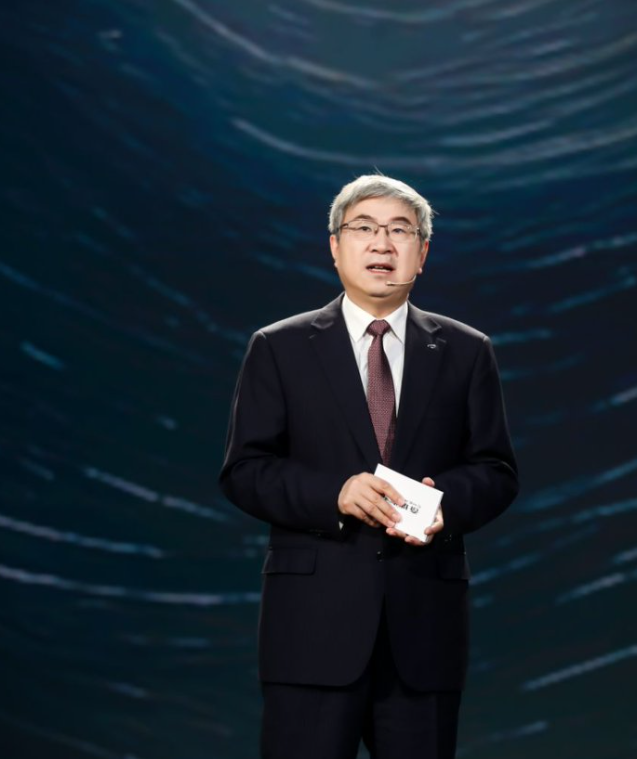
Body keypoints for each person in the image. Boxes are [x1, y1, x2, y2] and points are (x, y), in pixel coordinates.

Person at [220, 174, 519, 758]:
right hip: (310, 631)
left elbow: (496, 470)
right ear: (335, 246)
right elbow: (245, 470)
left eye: (400, 231)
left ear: (422, 253)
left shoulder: (466, 351)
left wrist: (445, 506)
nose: (382, 243)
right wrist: (335, 494)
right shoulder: (279, 347)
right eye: (364, 228)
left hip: (424, 631)